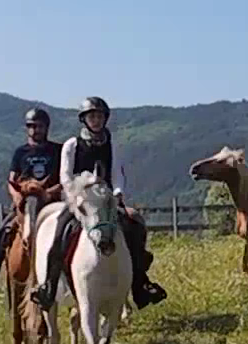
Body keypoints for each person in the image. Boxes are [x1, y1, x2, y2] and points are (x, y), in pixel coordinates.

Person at [51, 96, 168, 308]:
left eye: (99, 116)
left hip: (106, 200)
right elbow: (65, 177)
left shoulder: (112, 144)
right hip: (79, 200)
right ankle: (48, 286)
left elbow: (117, 174)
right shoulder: (72, 145)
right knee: (58, 230)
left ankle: (140, 283)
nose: (95, 120)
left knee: (134, 222)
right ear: (84, 119)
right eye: (91, 116)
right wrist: (77, 198)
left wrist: (117, 193)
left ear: (105, 119)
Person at [0, 106, 60, 300]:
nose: (35, 130)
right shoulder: (21, 152)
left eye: (39, 126)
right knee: (0, 234)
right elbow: (11, 180)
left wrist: (48, 193)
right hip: (25, 203)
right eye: (31, 126)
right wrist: (16, 196)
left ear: (46, 128)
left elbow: (64, 180)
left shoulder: (57, 150)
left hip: (51, 204)